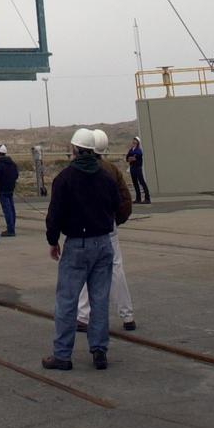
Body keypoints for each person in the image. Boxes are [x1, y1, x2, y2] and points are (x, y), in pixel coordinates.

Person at [41, 127, 120, 372]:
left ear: (74, 149)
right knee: (99, 299)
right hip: (103, 243)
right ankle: (99, 351)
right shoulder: (106, 178)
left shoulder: (64, 179)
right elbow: (117, 206)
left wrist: (53, 241)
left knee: (67, 301)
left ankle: (62, 355)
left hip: (77, 245)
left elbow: (54, 215)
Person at [77, 129, 136, 331]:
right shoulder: (112, 170)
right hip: (108, 225)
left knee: (85, 270)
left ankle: (83, 316)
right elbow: (125, 200)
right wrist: (115, 220)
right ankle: (127, 315)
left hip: (86, 227)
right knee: (116, 269)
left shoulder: (81, 169)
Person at [0, 143, 19, 236]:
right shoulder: (12, 163)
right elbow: (16, 175)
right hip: (11, 188)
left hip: (3, 189)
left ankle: (10, 230)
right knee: (11, 208)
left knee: (7, 210)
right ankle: (12, 227)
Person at [126, 136, 151, 204]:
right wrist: (131, 158)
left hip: (138, 168)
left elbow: (138, 155)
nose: (134, 141)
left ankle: (147, 198)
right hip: (132, 168)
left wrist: (132, 157)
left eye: (135, 140)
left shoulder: (138, 150)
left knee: (142, 182)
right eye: (133, 140)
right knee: (135, 183)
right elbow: (127, 157)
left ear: (138, 142)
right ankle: (138, 198)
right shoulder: (131, 149)